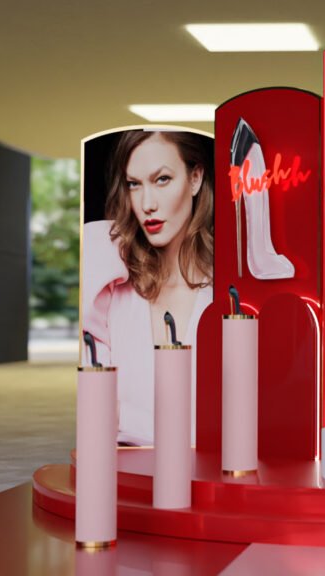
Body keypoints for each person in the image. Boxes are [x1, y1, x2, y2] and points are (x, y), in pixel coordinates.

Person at [82, 130, 214, 445]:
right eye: (134, 184)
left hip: (213, 470)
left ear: (195, 178)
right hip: (124, 468)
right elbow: (92, 411)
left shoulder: (230, 293)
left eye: (162, 179)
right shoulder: (109, 282)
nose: (147, 204)